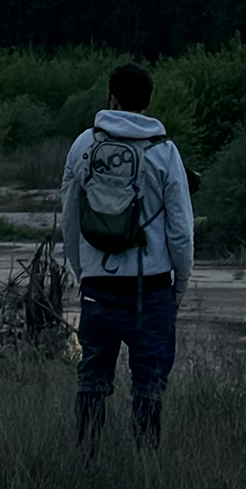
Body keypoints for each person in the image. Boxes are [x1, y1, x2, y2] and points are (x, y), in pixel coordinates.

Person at [61, 63, 194, 454]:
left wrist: (82, 271)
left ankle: (86, 459)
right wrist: (179, 286)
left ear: (111, 98)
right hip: (150, 288)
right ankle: (145, 468)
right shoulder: (164, 152)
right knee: (149, 385)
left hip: (98, 287)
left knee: (91, 381)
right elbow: (181, 232)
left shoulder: (83, 146)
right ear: (147, 103)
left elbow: (69, 219)